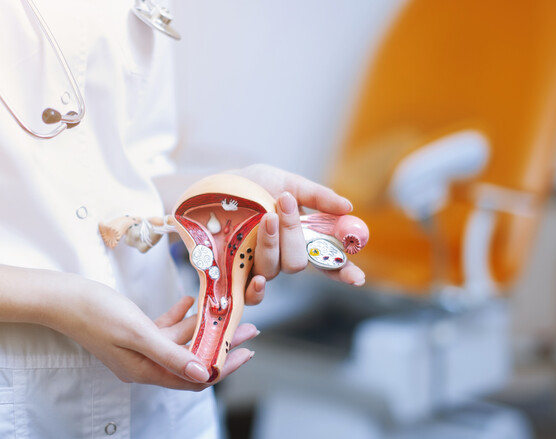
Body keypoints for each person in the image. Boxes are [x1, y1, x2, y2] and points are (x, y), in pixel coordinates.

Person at [0, 1, 365, 438]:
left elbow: (133, 179)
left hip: (163, 398)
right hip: (23, 396)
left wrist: (229, 197)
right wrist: (64, 302)